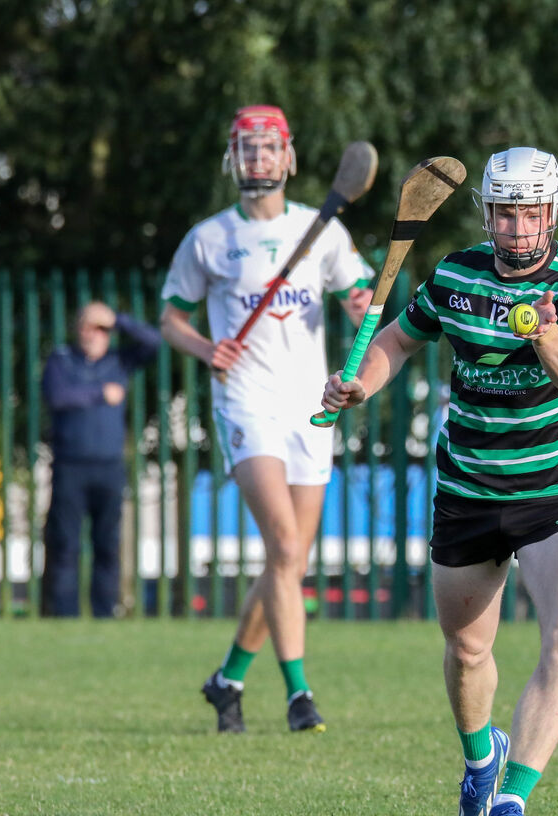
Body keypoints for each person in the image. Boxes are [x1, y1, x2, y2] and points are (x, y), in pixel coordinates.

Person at [321, 146, 558, 816]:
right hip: (469, 493)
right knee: (465, 651)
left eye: (530, 213)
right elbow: (398, 338)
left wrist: (544, 330)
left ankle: (512, 798)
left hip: (554, 493)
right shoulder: (455, 275)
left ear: (554, 211)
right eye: (505, 212)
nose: (517, 228)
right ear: (488, 212)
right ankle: (481, 761)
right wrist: (365, 383)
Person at [160, 105, 373, 734]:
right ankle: (299, 694)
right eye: (247, 149)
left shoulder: (322, 229)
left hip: (311, 405)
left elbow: (357, 295)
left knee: (289, 562)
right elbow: (172, 316)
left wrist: (362, 307)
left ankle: (226, 680)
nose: (258, 159)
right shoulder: (209, 238)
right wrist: (206, 348)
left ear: (288, 157)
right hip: (246, 402)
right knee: (283, 546)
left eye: (268, 148)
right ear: (233, 159)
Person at [41, 300, 161, 618]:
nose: (93, 334)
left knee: (107, 544)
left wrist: (118, 320)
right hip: (71, 466)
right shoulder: (62, 360)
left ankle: (103, 613)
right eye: (88, 326)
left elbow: (154, 342)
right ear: (77, 329)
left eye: (100, 329)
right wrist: (98, 393)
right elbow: (57, 396)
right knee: (66, 543)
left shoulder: (118, 361)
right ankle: (64, 615)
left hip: (108, 467)